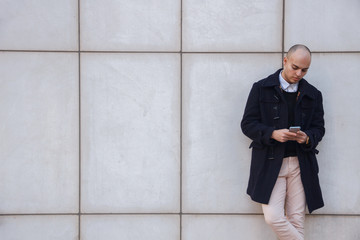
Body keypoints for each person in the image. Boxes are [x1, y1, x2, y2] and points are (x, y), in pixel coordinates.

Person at [241, 44, 325, 240]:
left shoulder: (313, 94)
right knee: (274, 217)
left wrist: (307, 138)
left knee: (297, 220)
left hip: (301, 163)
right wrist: (272, 133)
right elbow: (247, 124)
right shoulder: (261, 88)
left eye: (304, 70)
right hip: (270, 163)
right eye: (295, 67)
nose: (299, 73)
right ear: (285, 61)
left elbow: (319, 129)